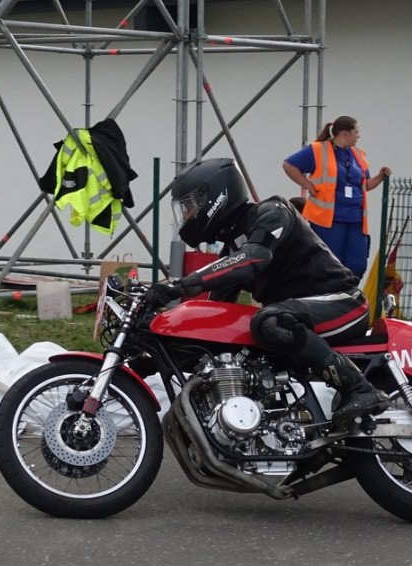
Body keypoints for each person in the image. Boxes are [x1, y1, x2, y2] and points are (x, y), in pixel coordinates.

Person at [145, 158, 389, 431]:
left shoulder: (273, 211)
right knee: (251, 343)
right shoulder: (232, 252)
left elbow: (254, 258)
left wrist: (179, 285)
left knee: (270, 321)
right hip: (299, 314)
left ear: (214, 197)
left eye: (189, 207)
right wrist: (155, 350)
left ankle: (358, 388)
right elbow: (212, 319)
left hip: (342, 303)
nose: (187, 216)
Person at [282, 115, 392, 279]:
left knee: (357, 265)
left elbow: (366, 185)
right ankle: (330, 297)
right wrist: (308, 186)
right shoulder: (318, 149)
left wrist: (380, 176)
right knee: (331, 263)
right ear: (345, 134)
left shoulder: (358, 155)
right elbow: (289, 165)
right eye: (356, 132)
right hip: (328, 220)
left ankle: (348, 296)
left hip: (356, 219)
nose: (358, 136)